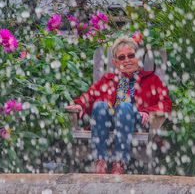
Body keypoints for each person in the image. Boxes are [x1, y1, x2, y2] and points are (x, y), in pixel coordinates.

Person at [65, 36, 172, 174]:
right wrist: (80, 105)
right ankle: (100, 161)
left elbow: (166, 103)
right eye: (122, 58)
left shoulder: (151, 80)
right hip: (107, 122)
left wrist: (147, 111)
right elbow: (89, 96)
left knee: (124, 107)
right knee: (99, 106)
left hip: (135, 121)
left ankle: (119, 162)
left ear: (138, 57)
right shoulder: (108, 80)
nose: (127, 60)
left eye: (131, 55)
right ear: (115, 63)